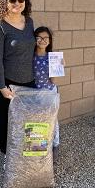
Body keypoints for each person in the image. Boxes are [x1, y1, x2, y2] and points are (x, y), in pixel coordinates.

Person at [0, 0, 36, 160]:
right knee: (7, 121)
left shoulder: (30, 22)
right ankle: (8, 158)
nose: (17, 3)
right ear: (5, 1)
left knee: (28, 120)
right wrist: (2, 87)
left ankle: (26, 159)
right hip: (6, 84)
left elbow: (33, 49)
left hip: (28, 82)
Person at [33, 26, 61, 162]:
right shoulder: (30, 57)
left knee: (52, 121)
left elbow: (53, 81)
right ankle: (38, 148)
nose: (42, 40)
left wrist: (58, 67)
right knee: (37, 121)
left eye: (46, 38)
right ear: (34, 39)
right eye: (39, 37)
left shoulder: (53, 57)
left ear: (49, 41)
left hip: (50, 93)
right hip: (33, 94)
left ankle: (54, 147)